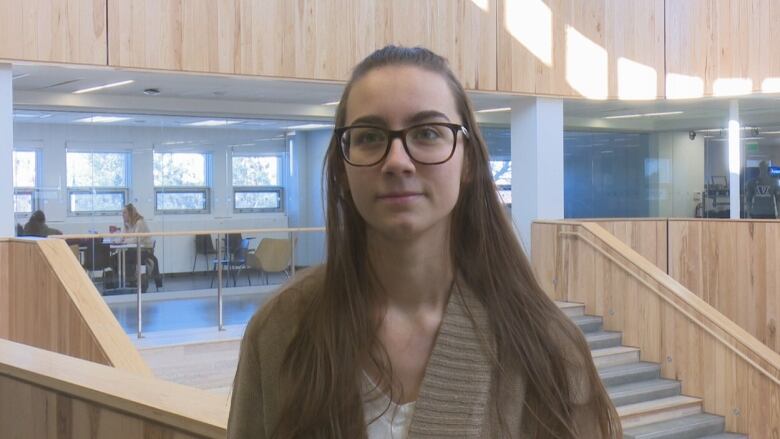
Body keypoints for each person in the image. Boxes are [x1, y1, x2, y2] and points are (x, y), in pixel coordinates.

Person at [228, 46, 621, 438]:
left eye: (428, 133)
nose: (397, 161)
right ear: (342, 169)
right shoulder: (281, 329)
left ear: (467, 162)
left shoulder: (546, 346)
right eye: (369, 136)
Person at [121, 203, 162, 288]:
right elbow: (122, 237)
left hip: (145, 250)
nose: (122, 215)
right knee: (119, 257)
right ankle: (128, 281)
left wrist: (124, 240)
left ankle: (132, 281)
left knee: (125, 257)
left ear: (130, 213)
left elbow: (136, 240)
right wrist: (125, 229)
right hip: (135, 249)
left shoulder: (139, 222)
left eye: (124, 212)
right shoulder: (128, 223)